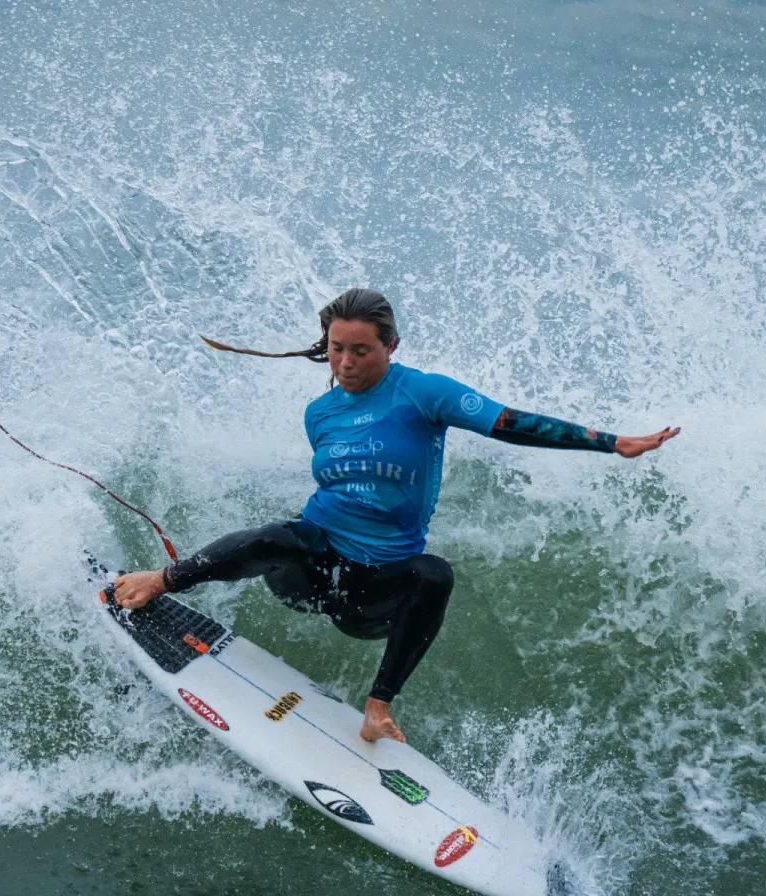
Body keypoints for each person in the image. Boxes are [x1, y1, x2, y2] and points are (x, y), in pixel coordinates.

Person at [112, 288, 677, 744]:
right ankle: (160, 581)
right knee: (279, 536)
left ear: (391, 346)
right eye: (336, 348)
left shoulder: (424, 395)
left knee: (434, 574)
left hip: (371, 592)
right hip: (310, 575)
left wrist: (610, 442)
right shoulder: (320, 413)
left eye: (361, 350)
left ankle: (377, 708)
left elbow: (510, 422)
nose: (347, 362)